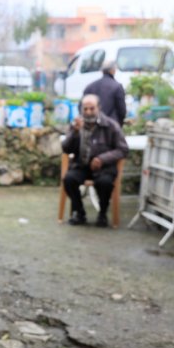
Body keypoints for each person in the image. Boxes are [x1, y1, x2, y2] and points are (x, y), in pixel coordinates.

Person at [61, 94, 129, 227]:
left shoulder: (110, 125)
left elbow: (123, 149)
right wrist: (74, 132)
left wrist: (102, 159)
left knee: (105, 183)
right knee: (69, 179)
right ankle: (79, 212)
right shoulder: (76, 125)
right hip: (81, 165)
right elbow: (65, 149)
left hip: (104, 168)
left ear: (99, 108)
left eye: (92, 109)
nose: (88, 112)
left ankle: (102, 213)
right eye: (85, 109)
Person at [82, 59, 127, 126]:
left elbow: (81, 106)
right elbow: (122, 110)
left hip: (92, 125)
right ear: (113, 71)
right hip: (112, 126)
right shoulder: (117, 87)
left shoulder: (90, 86)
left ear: (102, 71)